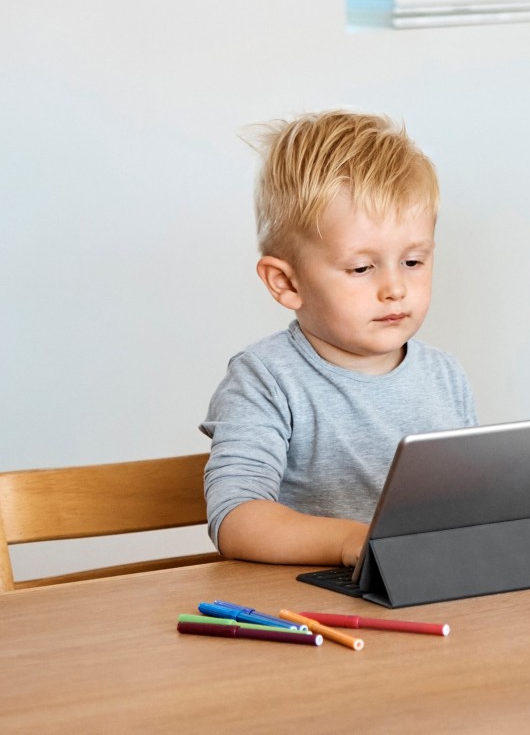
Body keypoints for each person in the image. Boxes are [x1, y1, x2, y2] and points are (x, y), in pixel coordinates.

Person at [200, 110, 475, 565]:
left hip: (425, 595)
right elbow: (237, 519)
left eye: (412, 262)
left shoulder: (444, 375)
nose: (395, 288)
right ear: (286, 284)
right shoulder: (265, 379)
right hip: (311, 609)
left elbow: (467, 505)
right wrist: (354, 542)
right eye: (362, 268)